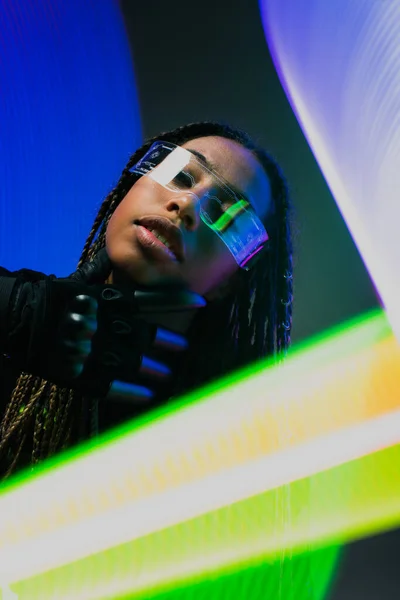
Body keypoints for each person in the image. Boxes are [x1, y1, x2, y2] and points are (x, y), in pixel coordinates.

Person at [0, 121, 293, 479]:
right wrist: (16, 310)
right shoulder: (17, 330)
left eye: (226, 216)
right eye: (180, 175)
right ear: (129, 188)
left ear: (229, 282)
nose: (187, 203)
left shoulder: (227, 459)